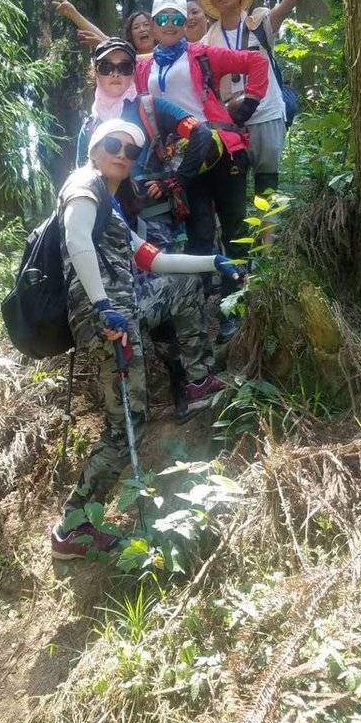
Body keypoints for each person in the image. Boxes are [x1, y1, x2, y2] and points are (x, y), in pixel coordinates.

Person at [50, 119, 241, 560]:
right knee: (128, 426)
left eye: (132, 151)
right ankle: (71, 527)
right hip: (106, 321)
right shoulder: (84, 185)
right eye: (113, 144)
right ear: (94, 148)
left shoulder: (111, 207)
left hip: (126, 309)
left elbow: (154, 261)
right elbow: (76, 239)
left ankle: (197, 382)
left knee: (182, 284)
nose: (123, 154)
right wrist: (102, 305)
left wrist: (212, 261)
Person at [76, 37, 222, 409]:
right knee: (147, 302)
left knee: (174, 291)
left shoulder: (149, 106)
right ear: (95, 72)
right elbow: (82, 182)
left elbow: (201, 134)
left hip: (157, 222)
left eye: (125, 67)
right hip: (113, 236)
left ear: (133, 72)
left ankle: (187, 382)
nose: (116, 74)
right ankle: (172, 383)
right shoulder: (89, 126)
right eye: (107, 67)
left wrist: (176, 180)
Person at [134, 0, 269, 285]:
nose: (170, 24)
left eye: (178, 19)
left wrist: (251, 101)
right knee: (200, 232)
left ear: (186, 24)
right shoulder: (143, 68)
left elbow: (256, 62)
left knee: (234, 227)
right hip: (185, 160)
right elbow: (116, 73)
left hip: (224, 150)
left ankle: (240, 296)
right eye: (163, 19)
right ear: (153, 25)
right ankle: (205, 299)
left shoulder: (202, 54)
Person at [196, 0, 317, 196]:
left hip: (266, 113)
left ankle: (269, 223)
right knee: (234, 185)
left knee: (267, 181)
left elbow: (284, 8)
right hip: (231, 120)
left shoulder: (259, 23)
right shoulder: (206, 42)